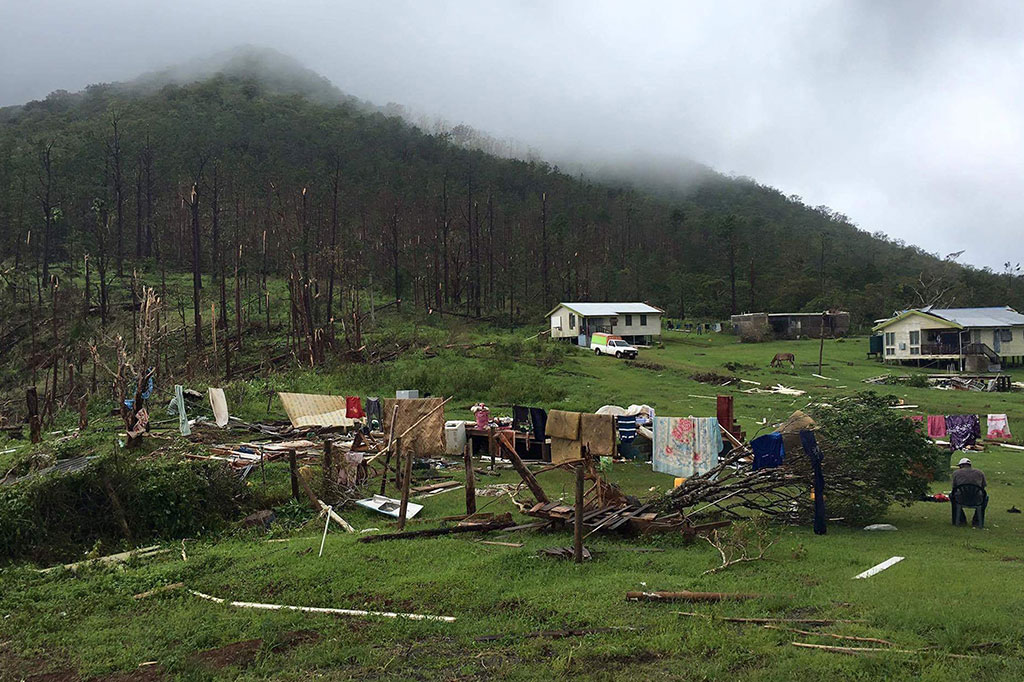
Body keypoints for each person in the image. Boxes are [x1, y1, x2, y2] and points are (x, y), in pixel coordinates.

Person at [951, 457, 987, 527]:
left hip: (960, 499)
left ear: (961, 466)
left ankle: (960, 519)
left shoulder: (956, 473)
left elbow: (954, 487)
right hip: (977, 499)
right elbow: (983, 486)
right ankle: (977, 520)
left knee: (952, 496)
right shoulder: (980, 472)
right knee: (985, 498)